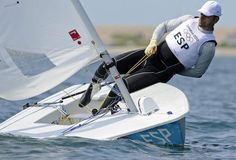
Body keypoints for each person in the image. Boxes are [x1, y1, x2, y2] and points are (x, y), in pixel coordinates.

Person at [79, 1, 222, 111]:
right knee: (108, 65)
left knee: (120, 87)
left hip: (159, 71)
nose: (202, 18)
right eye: (202, 13)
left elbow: (198, 72)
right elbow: (164, 26)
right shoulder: (188, 19)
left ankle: (100, 113)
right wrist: (153, 42)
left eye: (207, 16)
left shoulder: (208, 45)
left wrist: (175, 69)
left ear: (215, 19)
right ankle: (91, 90)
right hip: (149, 54)